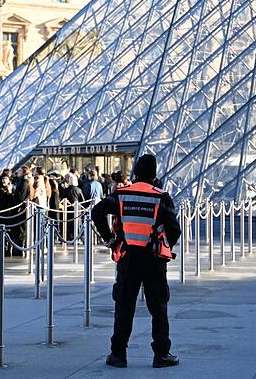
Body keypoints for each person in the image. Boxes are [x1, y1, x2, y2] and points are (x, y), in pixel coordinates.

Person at [91, 154, 181, 369]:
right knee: (158, 308)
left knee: (124, 307)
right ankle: (161, 354)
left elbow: (97, 212)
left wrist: (109, 239)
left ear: (136, 173)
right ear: (154, 174)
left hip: (127, 259)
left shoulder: (122, 194)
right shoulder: (161, 196)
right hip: (153, 260)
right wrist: (165, 245)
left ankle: (118, 354)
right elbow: (174, 230)